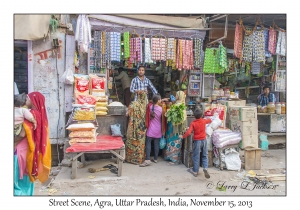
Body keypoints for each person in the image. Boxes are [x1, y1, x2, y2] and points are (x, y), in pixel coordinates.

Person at [14, 92, 52, 195]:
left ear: (33, 100)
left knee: (16, 179)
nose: (26, 99)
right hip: (31, 150)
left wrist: (13, 143)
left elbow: (22, 134)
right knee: (27, 179)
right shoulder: (40, 115)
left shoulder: (31, 114)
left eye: (28, 98)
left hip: (21, 150)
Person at [179, 108, 212, 179]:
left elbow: (188, 132)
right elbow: (209, 120)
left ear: (194, 116)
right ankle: (205, 168)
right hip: (204, 140)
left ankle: (195, 171)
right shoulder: (203, 121)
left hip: (197, 141)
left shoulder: (193, 123)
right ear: (202, 115)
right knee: (205, 155)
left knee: (196, 156)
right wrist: (212, 117)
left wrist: (183, 136)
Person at [163, 90, 188, 165]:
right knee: (175, 142)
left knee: (174, 142)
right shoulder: (181, 105)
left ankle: (174, 159)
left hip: (175, 128)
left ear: (179, 96)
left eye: (177, 95)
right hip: (176, 128)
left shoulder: (178, 106)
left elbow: (168, 115)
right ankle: (172, 157)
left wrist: (166, 112)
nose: (176, 96)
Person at [125, 91, 148, 165]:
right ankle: (139, 159)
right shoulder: (146, 106)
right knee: (140, 144)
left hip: (133, 127)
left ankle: (130, 158)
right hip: (142, 128)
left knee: (131, 142)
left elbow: (127, 114)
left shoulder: (133, 104)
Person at [140, 94, 163, 167]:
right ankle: (155, 158)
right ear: (158, 101)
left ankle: (147, 159)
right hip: (158, 129)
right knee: (156, 144)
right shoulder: (161, 109)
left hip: (151, 129)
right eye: (160, 99)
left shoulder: (150, 107)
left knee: (148, 143)